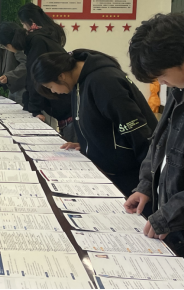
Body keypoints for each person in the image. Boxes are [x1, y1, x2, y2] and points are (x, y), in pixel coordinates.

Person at [31, 49, 158, 197]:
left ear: (61, 76)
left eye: (50, 87)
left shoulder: (104, 82)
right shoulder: (79, 82)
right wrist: (88, 144)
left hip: (131, 176)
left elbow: (137, 132)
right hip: (109, 170)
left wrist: (147, 183)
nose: (53, 91)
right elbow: (102, 123)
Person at [124, 13, 184, 256]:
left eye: (162, 74)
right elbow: (161, 142)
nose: (161, 81)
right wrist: (147, 185)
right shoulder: (178, 89)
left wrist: (171, 214)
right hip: (173, 230)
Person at [0, 21, 74, 140]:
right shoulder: (35, 40)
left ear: (9, 44)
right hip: (65, 104)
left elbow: (35, 79)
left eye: (4, 46)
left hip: (67, 106)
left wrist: (35, 109)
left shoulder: (36, 44)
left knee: (72, 143)